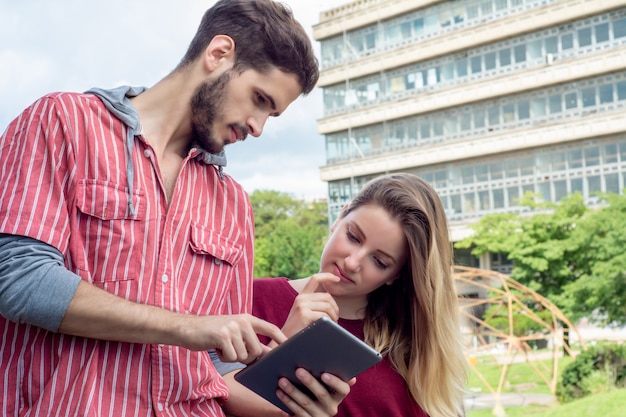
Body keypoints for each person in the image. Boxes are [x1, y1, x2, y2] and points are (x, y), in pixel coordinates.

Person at [0, 1, 351, 416]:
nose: (258, 127)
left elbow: (218, 370)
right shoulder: (63, 121)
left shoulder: (234, 204)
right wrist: (187, 327)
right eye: (259, 99)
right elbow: (19, 279)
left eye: (271, 115)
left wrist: (296, 400)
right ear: (218, 54)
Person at [215, 173, 468, 417]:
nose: (352, 262)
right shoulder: (245, 298)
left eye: (379, 261)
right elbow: (207, 395)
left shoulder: (414, 346)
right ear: (339, 217)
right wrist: (286, 338)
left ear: (396, 276)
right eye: (353, 236)